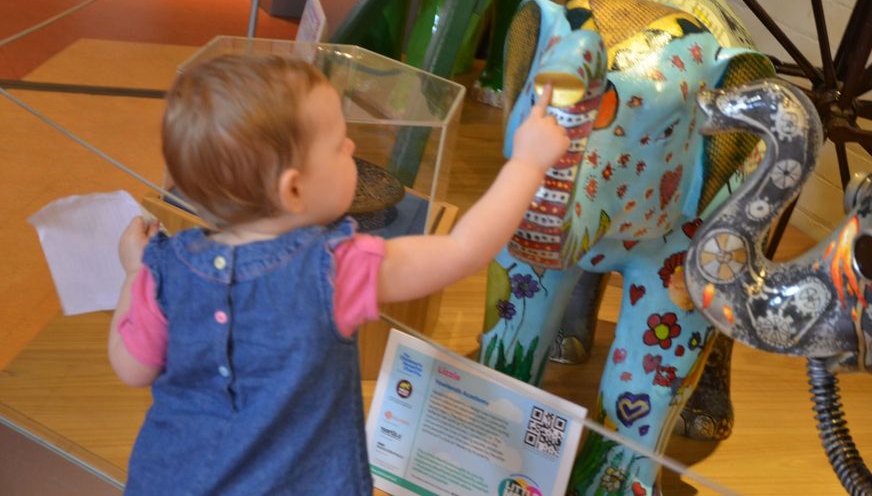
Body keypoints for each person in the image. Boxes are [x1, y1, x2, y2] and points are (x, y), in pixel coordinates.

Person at [108, 53, 568, 495]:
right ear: (293, 189)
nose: (351, 147)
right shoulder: (334, 270)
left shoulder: (164, 269)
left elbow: (132, 368)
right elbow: (463, 250)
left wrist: (134, 272)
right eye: (339, 143)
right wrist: (528, 163)